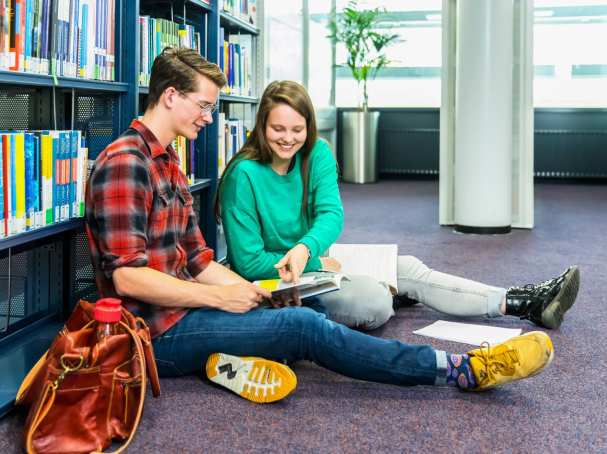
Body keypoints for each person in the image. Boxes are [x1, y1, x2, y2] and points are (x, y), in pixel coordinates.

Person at [85, 47, 555, 406]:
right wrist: (221, 296)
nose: (209, 117)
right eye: (204, 106)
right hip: (158, 332)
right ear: (171, 96)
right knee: (305, 328)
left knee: (284, 315)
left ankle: (230, 360)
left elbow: (198, 260)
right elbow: (128, 277)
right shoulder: (127, 162)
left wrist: (253, 293)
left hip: (194, 310)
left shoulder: (168, 162)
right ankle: (461, 370)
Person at [216, 80, 580, 332]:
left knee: (408, 267)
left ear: (309, 126)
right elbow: (248, 262)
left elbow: (331, 214)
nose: (288, 139)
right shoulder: (242, 176)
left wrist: (306, 249)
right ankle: (388, 292)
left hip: (315, 265)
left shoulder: (318, 153)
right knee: (373, 303)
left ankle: (520, 302)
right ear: (261, 126)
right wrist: (313, 260)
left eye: (297, 129)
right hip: (275, 283)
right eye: (278, 129)